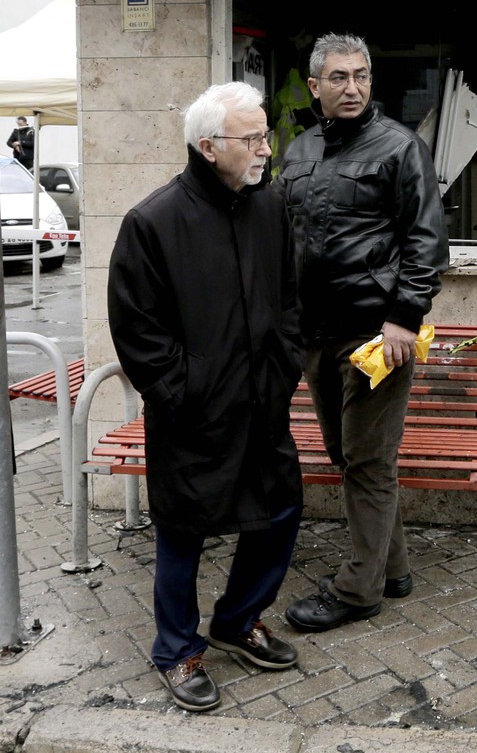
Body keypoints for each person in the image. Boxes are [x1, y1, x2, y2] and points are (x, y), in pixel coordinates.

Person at [107, 82, 304, 712]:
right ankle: (177, 650)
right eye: (253, 138)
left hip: (262, 405)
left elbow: (291, 299)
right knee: (183, 533)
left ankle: (237, 621)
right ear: (209, 145)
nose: (265, 148)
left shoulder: (270, 207)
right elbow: (136, 327)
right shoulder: (153, 221)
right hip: (193, 415)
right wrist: (180, 392)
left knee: (279, 513)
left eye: (265, 135)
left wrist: (283, 369)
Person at [279, 33, 449, 633]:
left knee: (368, 461)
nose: (351, 87)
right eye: (338, 77)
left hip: (377, 337)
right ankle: (393, 568)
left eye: (360, 76)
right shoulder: (297, 152)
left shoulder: (401, 148)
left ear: (371, 84)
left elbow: (426, 240)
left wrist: (405, 317)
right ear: (316, 86)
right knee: (348, 456)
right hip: (316, 336)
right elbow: (286, 241)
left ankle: (358, 589)